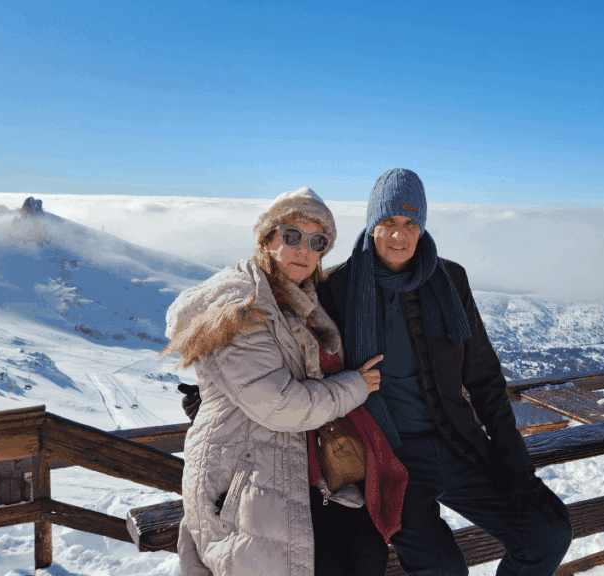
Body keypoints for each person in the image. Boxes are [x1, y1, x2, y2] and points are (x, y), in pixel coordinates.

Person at [316, 168, 573, 576]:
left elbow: (484, 375)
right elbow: (297, 357)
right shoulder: (336, 288)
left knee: (546, 533)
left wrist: (509, 449)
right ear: (371, 223)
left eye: (410, 223)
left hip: (456, 444)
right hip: (388, 457)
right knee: (442, 569)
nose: (399, 236)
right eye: (387, 223)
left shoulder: (449, 280)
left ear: (421, 227)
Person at [164, 187, 407, 576]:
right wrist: (355, 386)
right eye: (292, 236)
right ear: (267, 237)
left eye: (317, 242)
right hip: (248, 476)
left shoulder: (299, 299)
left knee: (368, 555)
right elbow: (280, 406)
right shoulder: (241, 305)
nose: (304, 249)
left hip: (303, 466)